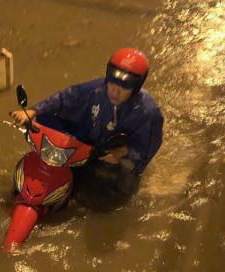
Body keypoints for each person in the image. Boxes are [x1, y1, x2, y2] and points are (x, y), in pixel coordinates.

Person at [10, 48, 163, 194]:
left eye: (124, 87)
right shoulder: (97, 90)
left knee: (113, 192)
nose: (115, 91)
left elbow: (146, 150)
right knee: (45, 117)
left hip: (112, 156)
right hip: (88, 143)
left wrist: (123, 152)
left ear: (135, 88)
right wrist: (32, 111)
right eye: (112, 83)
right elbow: (65, 98)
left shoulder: (148, 114)